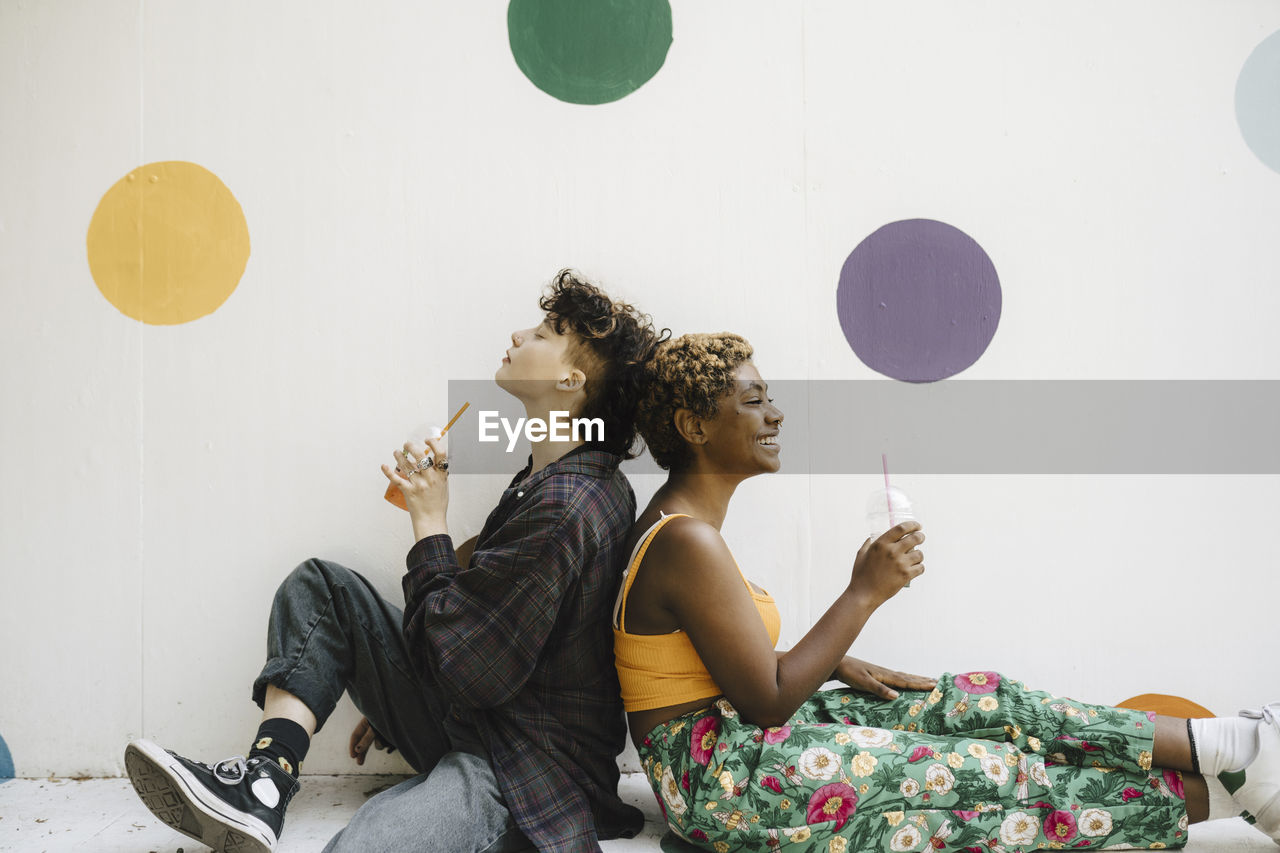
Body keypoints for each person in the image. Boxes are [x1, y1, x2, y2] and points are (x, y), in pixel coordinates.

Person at [614, 331, 1279, 852]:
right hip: (725, 782)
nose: (776, 412)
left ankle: (1230, 746)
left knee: (982, 698)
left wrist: (824, 658)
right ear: (695, 426)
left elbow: (707, 659)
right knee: (990, 773)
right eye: (754, 400)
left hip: (732, 739)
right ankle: (1239, 787)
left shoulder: (685, 528)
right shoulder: (686, 540)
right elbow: (766, 699)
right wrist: (863, 595)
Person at [124, 270, 665, 853]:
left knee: (360, 848)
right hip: (483, 719)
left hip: (528, 772)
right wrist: (397, 685)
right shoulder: (556, 475)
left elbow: (470, 668)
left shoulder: (567, 503)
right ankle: (265, 783)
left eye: (543, 331)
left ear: (570, 377)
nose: (518, 334)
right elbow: (482, 612)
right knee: (323, 588)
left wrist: (428, 520)